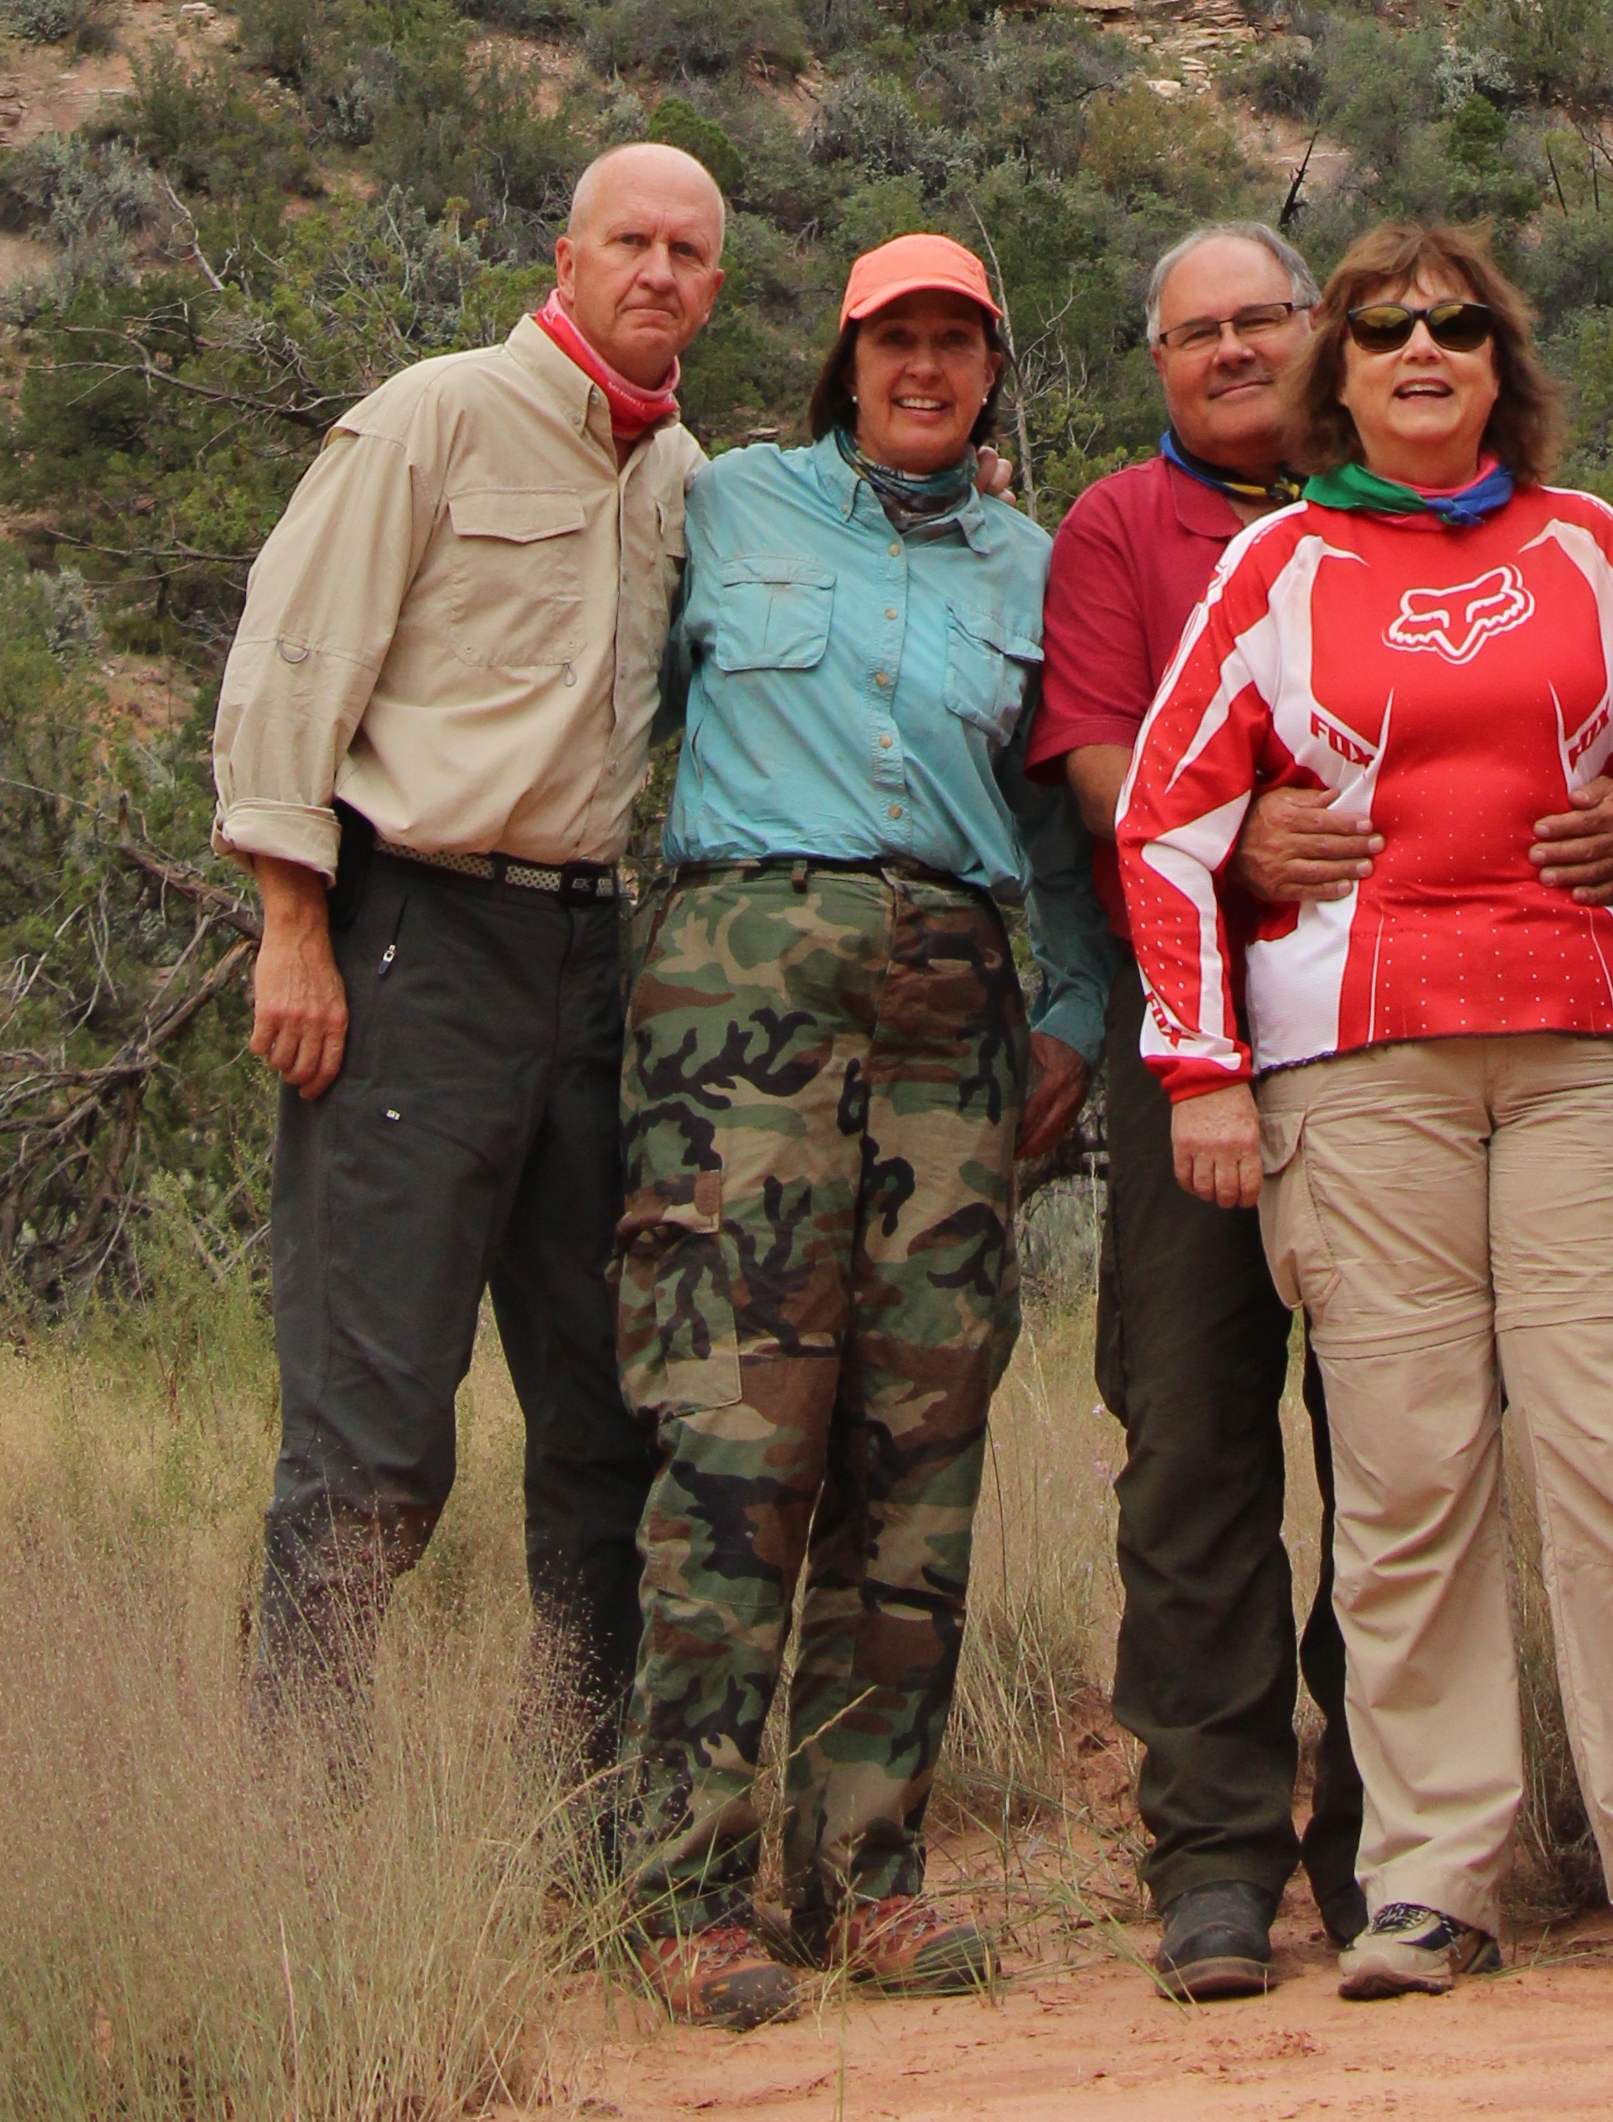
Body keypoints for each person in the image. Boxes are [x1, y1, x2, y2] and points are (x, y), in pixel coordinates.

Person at [1121, 223, 1613, 2005]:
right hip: (1358, 1061)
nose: (1422, 347)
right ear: (1339, 366)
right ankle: (1428, 1876)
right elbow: (1165, 829)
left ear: (1502, 364)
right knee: (1409, 1475)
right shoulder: (1276, 565)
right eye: (1385, 325)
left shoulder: (1599, 548)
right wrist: (1203, 1072)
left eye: (1458, 326)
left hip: (1586, 1046)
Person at [616, 235, 1108, 2033]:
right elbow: (616, 711)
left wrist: (1070, 1015)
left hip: (955, 1005)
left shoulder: (1029, 568)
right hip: (740, 985)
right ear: (846, 358)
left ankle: (865, 1879)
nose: (925, 369)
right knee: (737, 1429)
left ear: (991, 372)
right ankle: (682, 1885)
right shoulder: (727, 505)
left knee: (919, 1440)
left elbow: (1064, 826)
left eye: (957, 344)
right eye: (895, 340)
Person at [212, 139, 727, 1753]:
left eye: (690, 253)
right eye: (629, 241)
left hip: (591, 965)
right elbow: (292, 663)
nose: (657, 272)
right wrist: (292, 923)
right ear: (564, 259)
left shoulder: (680, 477)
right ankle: (301, 1852)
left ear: (714, 290)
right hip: (409, 947)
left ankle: (592, 1824)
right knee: (372, 1436)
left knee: (603, 1422)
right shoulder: (433, 418)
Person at [1025, 221, 1369, 1998]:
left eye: (1263, 320)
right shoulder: (1118, 528)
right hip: (1193, 1049)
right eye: (1197, 333)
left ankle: (1394, 1841)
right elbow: (1096, 761)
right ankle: (1217, 1860)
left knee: (1404, 1446)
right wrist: (1229, 837)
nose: (1235, 351)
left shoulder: (1418, 485)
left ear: (1321, 328)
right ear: (1155, 364)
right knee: (1196, 1447)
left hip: (1396, 1042)